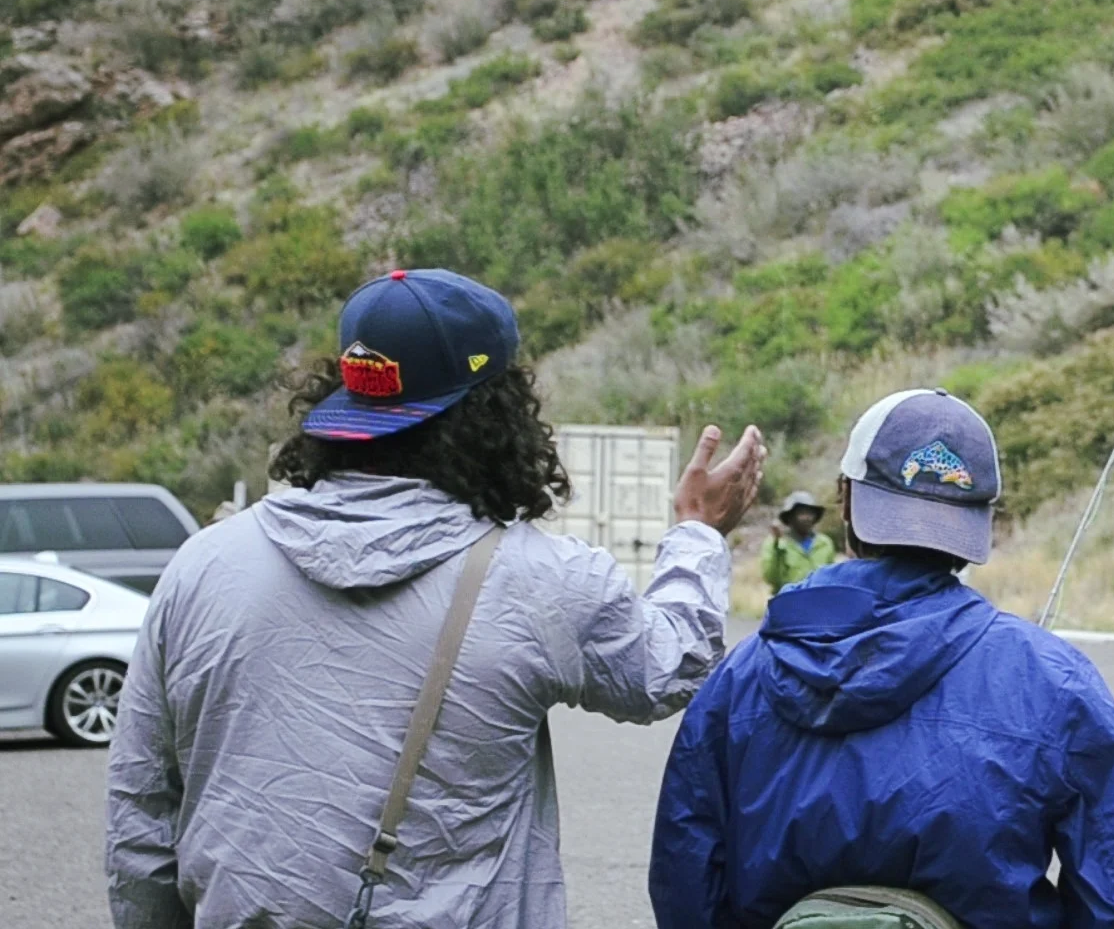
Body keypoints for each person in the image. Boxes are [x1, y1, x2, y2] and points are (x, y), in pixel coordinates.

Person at [105, 268, 765, 929]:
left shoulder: (203, 566)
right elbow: (665, 668)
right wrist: (698, 533)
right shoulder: (540, 579)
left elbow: (142, 815)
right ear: (499, 415)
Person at [650, 388, 1114, 929]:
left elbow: (686, 874)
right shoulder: (1050, 678)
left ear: (846, 500)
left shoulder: (742, 675)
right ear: (977, 524)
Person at [761, 490, 838, 594]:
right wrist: (777, 546)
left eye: (810, 513)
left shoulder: (825, 543)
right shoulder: (776, 543)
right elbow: (770, 577)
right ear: (790, 516)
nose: (807, 518)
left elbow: (832, 577)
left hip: (818, 599)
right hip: (788, 600)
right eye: (801, 513)